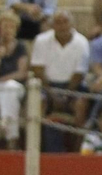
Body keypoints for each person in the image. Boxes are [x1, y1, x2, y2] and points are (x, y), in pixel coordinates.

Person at [29, 10, 89, 145]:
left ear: (72, 24)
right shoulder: (41, 40)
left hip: (73, 87)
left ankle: (78, 149)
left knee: (81, 105)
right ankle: (34, 147)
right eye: (58, 22)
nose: (62, 26)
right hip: (46, 86)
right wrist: (52, 95)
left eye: (65, 22)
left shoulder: (82, 42)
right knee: (38, 102)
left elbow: (79, 74)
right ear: (52, 25)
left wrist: (65, 96)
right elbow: (38, 70)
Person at [0, 12, 30, 147]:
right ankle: (11, 139)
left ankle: (2, 134)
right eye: (5, 26)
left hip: (15, 87)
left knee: (10, 89)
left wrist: (1, 80)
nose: (8, 30)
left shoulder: (20, 47)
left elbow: (22, 73)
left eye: (11, 27)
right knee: (4, 99)